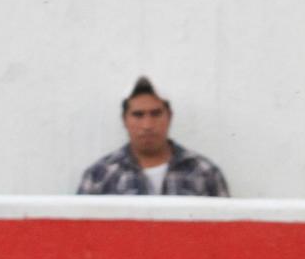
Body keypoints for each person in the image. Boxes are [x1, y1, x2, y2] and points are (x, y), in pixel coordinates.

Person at [77, 77, 230, 197]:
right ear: (124, 119)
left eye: (156, 114)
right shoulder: (100, 175)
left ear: (169, 116)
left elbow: (227, 232)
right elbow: (79, 233)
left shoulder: (204, 172)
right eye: (138, 115)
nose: (147, 125)